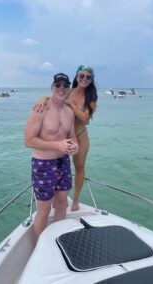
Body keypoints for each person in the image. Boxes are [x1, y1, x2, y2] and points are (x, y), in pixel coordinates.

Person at [33, 65, 98, 211]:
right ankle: (58, 197)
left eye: (88, 77)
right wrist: (44, 98)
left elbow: (85, 117)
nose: (84, 79)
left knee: (79, 167)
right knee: (58, 167)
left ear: (92, 80)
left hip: (80, 137)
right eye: (81, 75)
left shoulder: (91, 97)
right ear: (76, 77)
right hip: (64, 136)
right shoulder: (69, 90)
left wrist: (72, 105)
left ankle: (75, 200)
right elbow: (56, 97)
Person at [24, 73, 79, 240]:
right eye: (58, 85)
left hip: (63, 162)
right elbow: (28, 140)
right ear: (52, 87)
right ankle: (41, 248)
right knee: (44, 209)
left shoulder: (69, 111)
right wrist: (57, 145)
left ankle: (58, 240)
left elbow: (72, 137)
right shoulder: (41, 109)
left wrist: (75, 147)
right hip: (43, 164)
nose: (61, 88)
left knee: (62, 203)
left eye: (65, 85)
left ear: (69, 88)